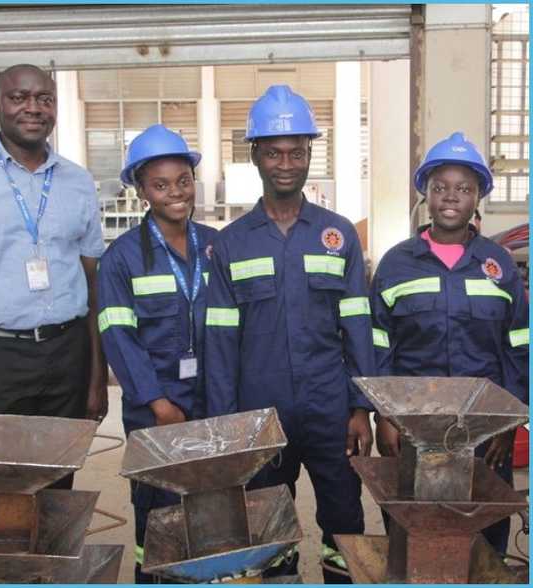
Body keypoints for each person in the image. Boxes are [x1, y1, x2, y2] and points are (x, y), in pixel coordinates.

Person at [204, 85, 374, 582]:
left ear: (309, 155)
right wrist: (226, 425)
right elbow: (220, 344)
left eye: (296, 152)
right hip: (260, 415)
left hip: (329, 409)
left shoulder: (338, 234)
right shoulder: (231, 244)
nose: (286, 163)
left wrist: (361, 407)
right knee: (265, 524)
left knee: (344, 519)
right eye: (274, 152)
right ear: (254, 155)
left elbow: (358, 327)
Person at [370, 132, 529, 555]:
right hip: (413, 427)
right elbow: (378, 345)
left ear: (479, 196)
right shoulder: (396, 264)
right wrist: (384, 415)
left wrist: (508, 421)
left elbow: (518, 347)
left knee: (484, 536)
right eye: (440, 187)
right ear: (426, 193)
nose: (451, 198)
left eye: (464, 188)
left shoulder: (499, 268)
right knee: (413, 533)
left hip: (484, 432)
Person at [0, 64, 109, 485]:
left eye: (45, 99)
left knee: (57, 479)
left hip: (66, 354)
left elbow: (92, 283)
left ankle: (50, 552)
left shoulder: (77, 181)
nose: (33, 108)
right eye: (19, 97)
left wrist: (96, 374)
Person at [97, 125, 216, 583]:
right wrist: (158, 403)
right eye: (161, 185)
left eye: (183, 180)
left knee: (208, 505)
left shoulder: (215, 245)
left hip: (212, 399)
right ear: (142, 190)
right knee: (158, 507)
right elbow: (118, 338)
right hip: (155, 408)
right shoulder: (122, 258)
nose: (175, 193)